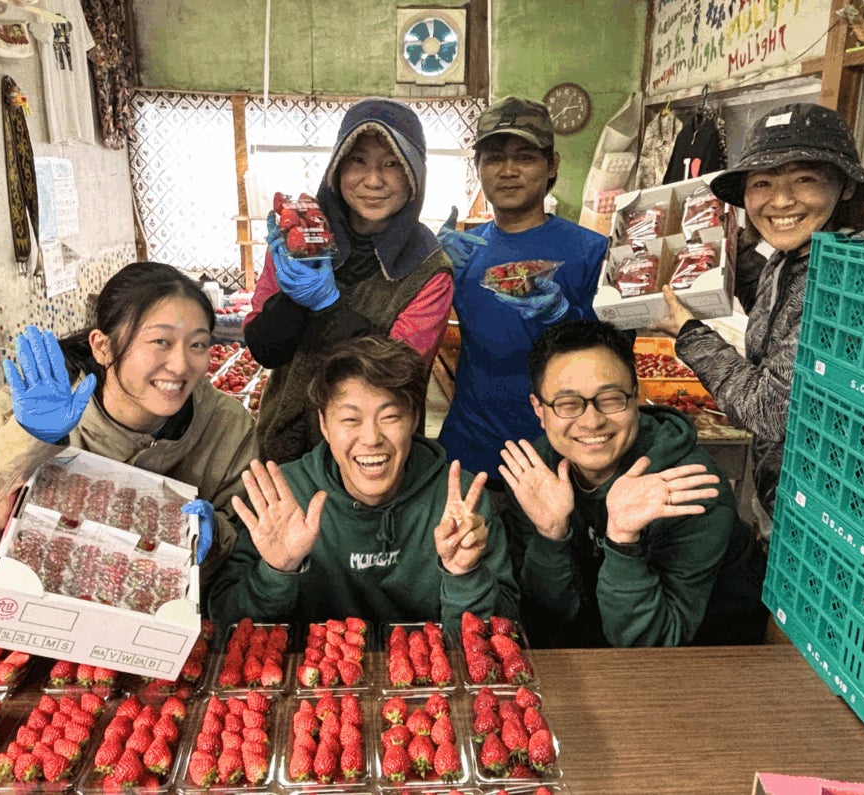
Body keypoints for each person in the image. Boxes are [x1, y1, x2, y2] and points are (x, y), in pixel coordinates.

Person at [0, 262, 258, 591]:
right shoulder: (27, 409)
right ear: (102, 346)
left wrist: (216, 540)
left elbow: (244, 572)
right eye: (160, 342)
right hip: (29, 636)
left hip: (162, 644)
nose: (180, 366)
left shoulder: (225, 428)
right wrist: (25, 443)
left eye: (197, 344)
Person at [654, 102, 864, 539]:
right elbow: (781, 315)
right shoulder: (805, 254)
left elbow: (770, 412)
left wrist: (690, 335)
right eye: (762, 182)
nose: (781, 200)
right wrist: (729, 254)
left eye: (804, 179)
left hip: (835, 514)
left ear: (843, 186)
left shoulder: (849, 282)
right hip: (795, 495)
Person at [208, 335, 518, 629]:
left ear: (413, 418)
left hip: (431, 684)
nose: (371, 439)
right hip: (313, 681)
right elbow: (228, 626)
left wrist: (464, 575)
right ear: (324, 425)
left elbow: (506, 628)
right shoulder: (283, 498)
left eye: (390, 416)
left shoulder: (460, 500)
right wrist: (276, 571)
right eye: (350, 420)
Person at [498, 320, 767, 647]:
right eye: (568, 404)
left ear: (635, 399)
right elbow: (549, 620)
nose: (591, 421)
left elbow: (652, 646)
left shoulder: (688, 486)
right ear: (539, 410)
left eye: (610, 399)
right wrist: (551, 536)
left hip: (712, 656)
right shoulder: (536, 474)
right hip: (594, 648)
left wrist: (624, 541)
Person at [244, 98, 454, 465]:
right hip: (286, 447)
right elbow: (266, 350)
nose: (373, 180)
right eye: (358, 161)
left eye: (392, 163)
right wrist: (292, 300)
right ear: (337, 169)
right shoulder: (301, 238)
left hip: (373, 456)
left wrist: (328, 306)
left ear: (414, 175)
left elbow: (398, 378)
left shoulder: (429, 270)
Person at [437, 96, 609, 489]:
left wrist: (567, 319)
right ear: (478, 168)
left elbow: (617, 357)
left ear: (552, 165)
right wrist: (423, 266)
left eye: (525, 157)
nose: (509, 171)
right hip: (471, 454)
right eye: (494, 158)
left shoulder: (592, 251)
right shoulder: (462, 253)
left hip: (560, 457)